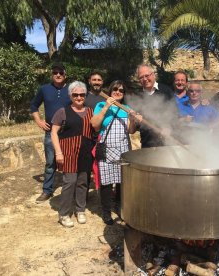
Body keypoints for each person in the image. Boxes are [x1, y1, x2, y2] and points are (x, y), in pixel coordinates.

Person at [91, 80, 141, 225]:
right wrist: (107, 106)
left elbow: (131, 131)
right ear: (110, 91)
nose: (118, 92)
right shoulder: (100, 105)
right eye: (115, 89)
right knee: (106, 182)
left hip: (123, 149)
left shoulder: (126, 108)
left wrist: (132, 119)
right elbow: (95, 125)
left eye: (121, 90)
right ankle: (106, 212)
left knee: (122, 182)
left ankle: (120, 207)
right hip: (106, 149)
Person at [50, 81, 94, 228]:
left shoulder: (91, 111)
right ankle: (63, 214)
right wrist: (58, 153)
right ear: (70, 95)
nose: (79, 97)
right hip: (68, 152)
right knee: (70, 182)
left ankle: (80, 210)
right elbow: (54, 133)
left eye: (82, 94)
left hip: (86, 152)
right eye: (75, 94)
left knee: (83, 182)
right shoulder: (62, 112)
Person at [30, 63, 71, 203]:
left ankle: (69, 190)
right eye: (55, 72)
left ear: (66, 74)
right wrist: (39, 121)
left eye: (61, 72)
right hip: (50, 132)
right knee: (50, 163)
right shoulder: (44, 89)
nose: (58, 75)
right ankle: (47, 190)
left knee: (69, 162)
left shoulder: (72, 89)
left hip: (68, 132)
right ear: (51, 74)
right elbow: (33, 105)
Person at [129, 64, 176, 148]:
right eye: (141, 77)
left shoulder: (166, 90)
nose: (144, 79)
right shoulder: (138, 96)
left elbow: (175, 114)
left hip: (167, 144)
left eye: (147, 75)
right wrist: (133, 119)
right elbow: (133, 129)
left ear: (153, 75)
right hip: (147, 145)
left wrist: (169, 128)